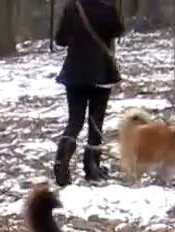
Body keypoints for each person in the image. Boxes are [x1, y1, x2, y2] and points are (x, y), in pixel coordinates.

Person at [51, 0, 126, 187]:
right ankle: (92, 166)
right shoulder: (107, 8)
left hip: (74, 73)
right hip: (101, 72)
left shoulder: (72, 7)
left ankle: (61, 162)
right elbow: (118, 30)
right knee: (95, 121)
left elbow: (60, 39)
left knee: (74, 121)